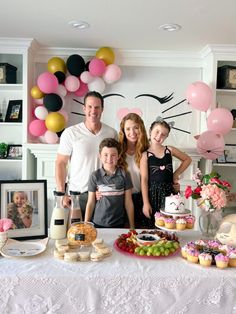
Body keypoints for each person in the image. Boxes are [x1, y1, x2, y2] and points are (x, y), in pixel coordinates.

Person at [55, 91, 117, 217]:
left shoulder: (111, 133)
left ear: (102, 109)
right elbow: (61, 163)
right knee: (75, 234)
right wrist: (62, 193)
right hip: (78, 195)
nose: (93, 111)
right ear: (84, 108)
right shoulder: (70, 133)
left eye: (97, 107)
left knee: (104, 235)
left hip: (104, 195)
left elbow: (117, 163)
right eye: (89, 107)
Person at [140, 118, 192, 228]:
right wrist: (145, 203)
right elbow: (144, 180)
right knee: (155, 224)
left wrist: (175, 174)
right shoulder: (145, 155)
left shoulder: (170, 150)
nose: (159, 136)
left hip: (170, 194)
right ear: (150, 131)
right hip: (152, 194)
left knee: (170, 223)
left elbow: (187, 159)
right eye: (157, 132)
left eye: (163, 134)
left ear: (167, 136)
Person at [84, 138, 135, 228]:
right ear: (100, 156)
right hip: (98, 223)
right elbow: (90, 202)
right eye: (106, 155)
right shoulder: (95, 176)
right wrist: (86, 225)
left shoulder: (124, 175)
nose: (109, 158)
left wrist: (132, 226)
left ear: (118, 156)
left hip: (119, 223)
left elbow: (128, 202)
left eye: (113, 155)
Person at [118, 113, 149, 228]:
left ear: (141, 129)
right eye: (128, 129)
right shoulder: (118, 152)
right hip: (122, 200)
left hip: (143, 199)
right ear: (123, 131)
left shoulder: (147, 151)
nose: (132, 132)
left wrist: (173, 181)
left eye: (136, 127)